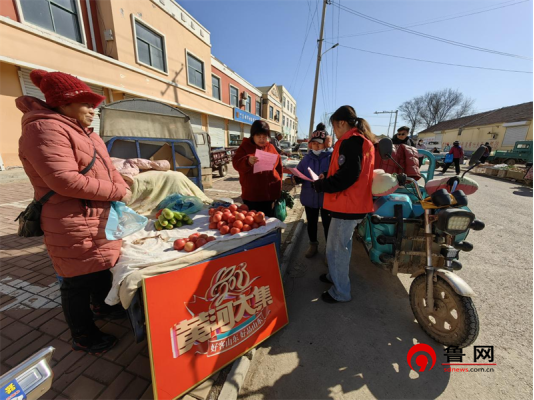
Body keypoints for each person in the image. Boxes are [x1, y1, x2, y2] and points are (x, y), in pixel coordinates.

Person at [17, 70, 131, 354]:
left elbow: (109, 169)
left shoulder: (86, 133)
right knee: (76, 279)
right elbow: (63, 179)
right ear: (65, 102)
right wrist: (117, 192)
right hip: (70, 221)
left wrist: (121, 186)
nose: (94, 110)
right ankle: (83, 336)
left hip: (96, 216)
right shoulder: (43, 128)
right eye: (87, 103)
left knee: (101, 267)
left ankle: (103, 307)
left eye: (95, 104)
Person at [313, 106, 375, 303]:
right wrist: (328, 177)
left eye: (334, 126)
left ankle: (341, 292)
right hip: (351, 204)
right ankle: (334, 277)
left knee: (337, 250)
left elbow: (349, 176)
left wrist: (323, 184)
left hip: (348, 205)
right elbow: (345, 170)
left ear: (341, 123)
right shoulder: (358, 140)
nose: (334, 131)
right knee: (338, 248)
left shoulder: (351, 142)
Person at [294, 123, 332, 258]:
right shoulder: (306, 159)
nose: (316, 146)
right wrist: (295, 178)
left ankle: (329, 250)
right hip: (309, 196)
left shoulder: (331, 158)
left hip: (326, 198)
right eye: (314, 143)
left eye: (319, 143)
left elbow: (335, 175)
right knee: (311, 223)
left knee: (328, 225)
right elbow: (299, 174)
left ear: (325, 144)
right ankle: (313, 244)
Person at [233, 120, 283, 217]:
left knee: (268, 223)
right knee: (253, 223)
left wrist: (278, 186)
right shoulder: (245, 147)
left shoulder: (270, 147)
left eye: (264, 137)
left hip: (269, 195)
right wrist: (247, 161)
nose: (262, 139)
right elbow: (236, 163)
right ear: (253, 136)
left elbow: (278, 166)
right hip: (252, 196)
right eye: (259, 136)